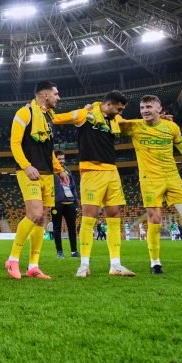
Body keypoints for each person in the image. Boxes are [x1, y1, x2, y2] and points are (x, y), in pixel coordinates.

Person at [122, 94, 182, 275]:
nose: (145, 111)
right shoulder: (134, 126)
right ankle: (155, 264)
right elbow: (112, 119)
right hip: (150, 180)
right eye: (142, 108)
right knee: (154, 220)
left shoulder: (171, 127)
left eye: (149, 107)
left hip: (173, 178)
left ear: (159, 109)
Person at [54, 91, 135, 277]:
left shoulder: (115, 120)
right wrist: (35, 109)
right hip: (91, 171)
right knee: (89, 217)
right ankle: (84, 265)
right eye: (119, 109)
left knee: (114, 215)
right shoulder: (85, 114)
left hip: (112, 172)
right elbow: (57, 118)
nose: (120, 112)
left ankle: (116, 265)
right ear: (109, 104)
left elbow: (131, 124)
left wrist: (157, 120)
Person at [5, 81, 70, 280]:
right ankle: (13, 259)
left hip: (47, 173)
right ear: (45, 95)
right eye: (56, 94)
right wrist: (26, 166)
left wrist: (59, 170)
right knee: (35, 213)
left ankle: (33, 265)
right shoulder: (24, 113)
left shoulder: (48, 117)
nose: (58, 97)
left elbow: (49, 150)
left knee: (42, 218)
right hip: (29, 172)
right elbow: (14, 143)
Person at [51, 150, 79, 259]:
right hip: (57, 203)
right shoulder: (51, 171)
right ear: (55, 160)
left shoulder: (67, 170)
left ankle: (74, 251)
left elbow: (73, 186)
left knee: (72, 227)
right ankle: (59, 252)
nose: (62, 161)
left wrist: (76, 201)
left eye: (63, 158)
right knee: (57, 228)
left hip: (70, 202)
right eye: (59, 159)